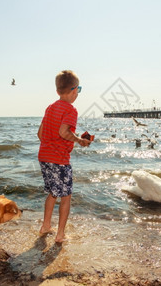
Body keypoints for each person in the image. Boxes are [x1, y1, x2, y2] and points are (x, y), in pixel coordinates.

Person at [37, 70, 91, 243]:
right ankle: (60, 234)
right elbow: (63, 132)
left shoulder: (50, 108)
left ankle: (46, 226)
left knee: (53, 193)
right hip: (59, 160)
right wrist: (79, 140)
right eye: (79, 90)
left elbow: (40, 134)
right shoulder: (71, 110)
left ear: (58, 91)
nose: (78, 93)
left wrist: (50, 144)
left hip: (44, 157)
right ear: (74, 90)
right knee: (66, 197)